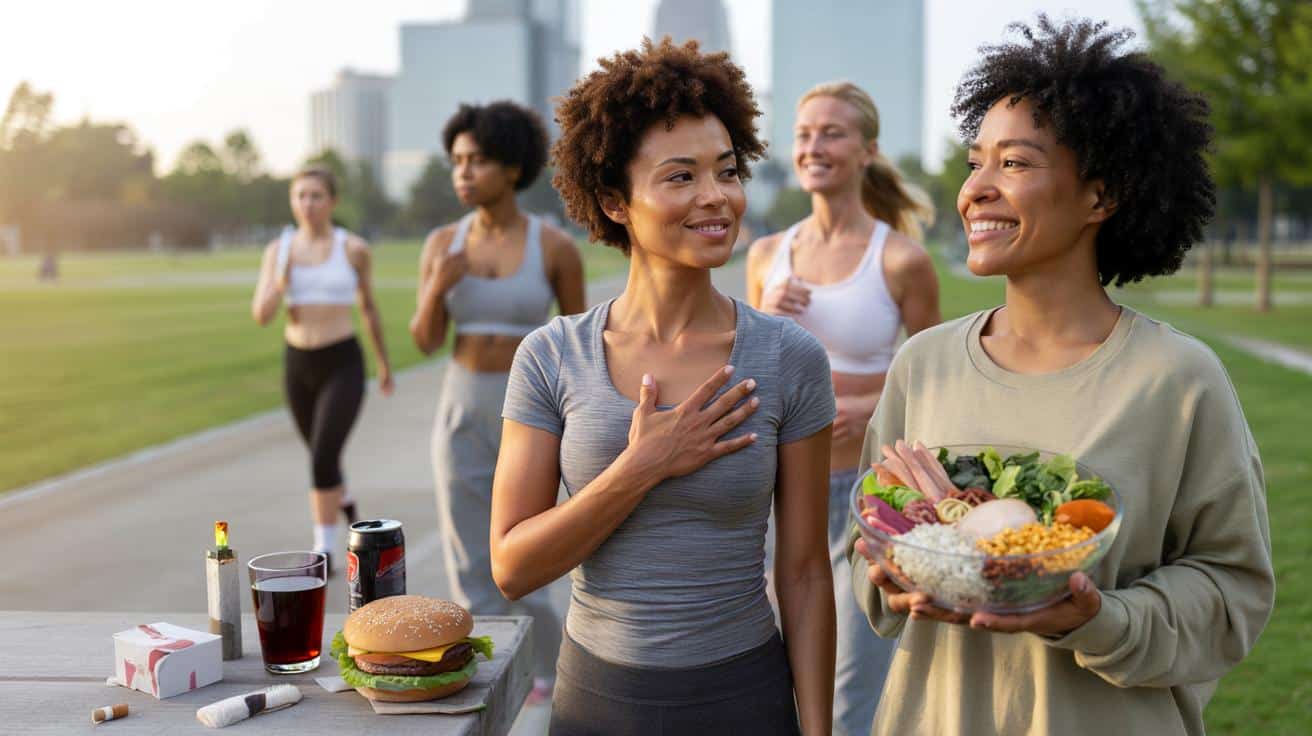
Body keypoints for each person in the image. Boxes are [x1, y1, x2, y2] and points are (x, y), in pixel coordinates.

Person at [850, 16, 1274, 735]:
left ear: (1101, 196)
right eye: (975, 161)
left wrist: (1097, 619)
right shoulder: (924, 365)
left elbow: (1233, 589)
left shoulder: (1177, 380)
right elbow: (874, 553)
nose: (976, 188)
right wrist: (891, 578)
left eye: (1013, 164)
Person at [490, 39, 836, 735]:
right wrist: (641, 466)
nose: (716, 197)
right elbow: (513, 567)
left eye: (728, 171)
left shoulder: (789, 358)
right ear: (616, 202)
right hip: (598, 701)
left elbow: (802, 573)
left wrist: (818, 729)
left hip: (745, 696)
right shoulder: (552, 357)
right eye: (680, 177)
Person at [746, 80, 941, 736]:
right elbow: (743, 384)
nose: (814, 146)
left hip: (867, 495)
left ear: (868, 150)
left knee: (855, 682)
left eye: (832, 132)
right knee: (788, 673)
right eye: (804, 134)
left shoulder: (903, 260)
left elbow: (935, 383)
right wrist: (762, 321)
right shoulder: (766, 257)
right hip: (782, 494)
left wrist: (870, 404)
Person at [409, 100, 584, 702]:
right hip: (462, 400)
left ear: (513, 168)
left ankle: (550, 671)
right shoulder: (442, 244)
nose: (463, 172)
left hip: (529, 410)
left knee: (527, 546)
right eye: (457, 160)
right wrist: (437, 286)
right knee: (466, 548)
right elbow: (426, 339)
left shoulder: (554, 246)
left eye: (478, 160)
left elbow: (578, 343)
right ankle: (481, 669)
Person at [251, 167, 393, 572]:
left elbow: (368, 308)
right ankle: (344, 500)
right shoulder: (278, 252)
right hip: (298, 364)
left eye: (316, 196)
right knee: (321, 454)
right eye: (300, 196)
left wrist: (383, 365)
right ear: (292, 202)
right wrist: (280, 283)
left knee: (323, 455)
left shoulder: (353, 249)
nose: (307, 204)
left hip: (342, 362)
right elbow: (261, 315)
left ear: (331, 201)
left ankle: (325, 549)